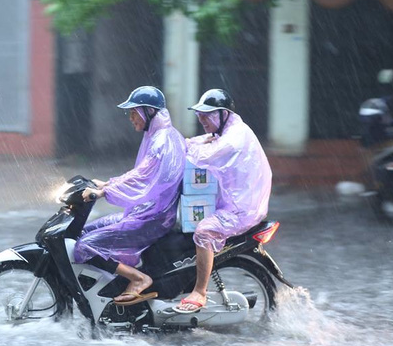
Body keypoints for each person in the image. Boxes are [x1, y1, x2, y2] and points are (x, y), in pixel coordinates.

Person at [74, 86, 186, 306]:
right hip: (143, 212)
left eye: (134, 112)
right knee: (83, 231)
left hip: (153, 219)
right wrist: (108, 183)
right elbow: (139, 174)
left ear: (149, 112)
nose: (131, 117)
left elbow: (144, 179)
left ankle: (138, 278)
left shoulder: (162, 141)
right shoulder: (156, 136)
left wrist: (105, 191)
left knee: (85, 246)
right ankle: (112, 282)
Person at [174, 89, 272, 313]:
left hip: (242, 210)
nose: (202, 120)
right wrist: (185, 143)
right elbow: (201, 142)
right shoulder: (228, 130)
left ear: (223, 114)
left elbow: (205, 154)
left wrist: (186, 146)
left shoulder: (234, 137)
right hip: (233, 201)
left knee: (204, 231)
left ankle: (200, 291)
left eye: (206, 116)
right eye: (200, 116)